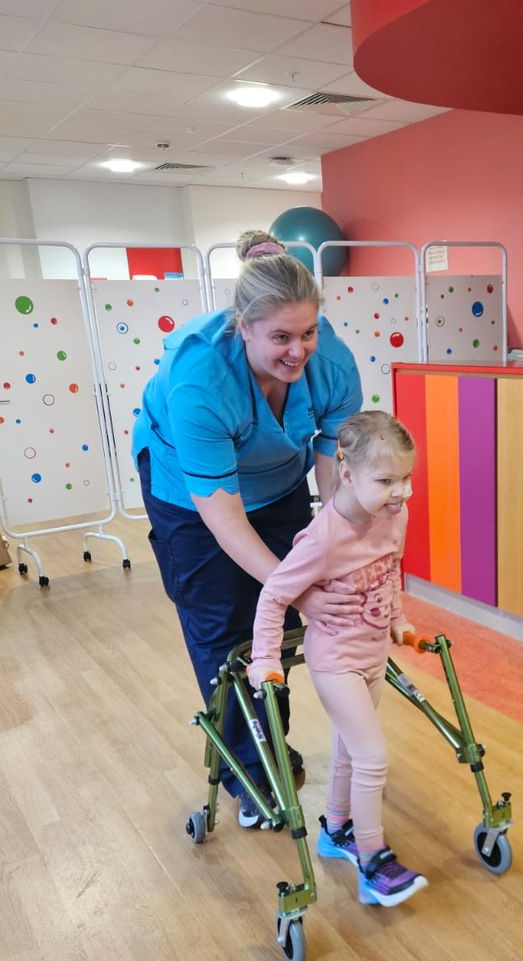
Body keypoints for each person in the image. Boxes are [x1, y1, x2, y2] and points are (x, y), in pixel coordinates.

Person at [133, 229, 363, 826]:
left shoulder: (331, 364)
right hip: (192, 498)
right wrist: (296, 583)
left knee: (277, 622)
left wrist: (339, 557)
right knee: (224, 626)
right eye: (281, 337)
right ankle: (248, 772)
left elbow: (333, 479)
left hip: (278, 480)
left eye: (308, 333)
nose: (298, 351)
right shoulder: (200, 378)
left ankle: (269, 750)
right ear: (243, 325)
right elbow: (223, 517)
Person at [247, 411, 427, 908]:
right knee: (372, 756)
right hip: (336, 661)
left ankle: (337, 829)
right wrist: (265, 657)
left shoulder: (393, 516)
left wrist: (397, 619)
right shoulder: (322, 538)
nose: (401, 492)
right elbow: (275, 595)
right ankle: (373, 861)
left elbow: (391, 568)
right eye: (386, 480)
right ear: (346, 473)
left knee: (351, 750)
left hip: (372, 654)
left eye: (407, 478)